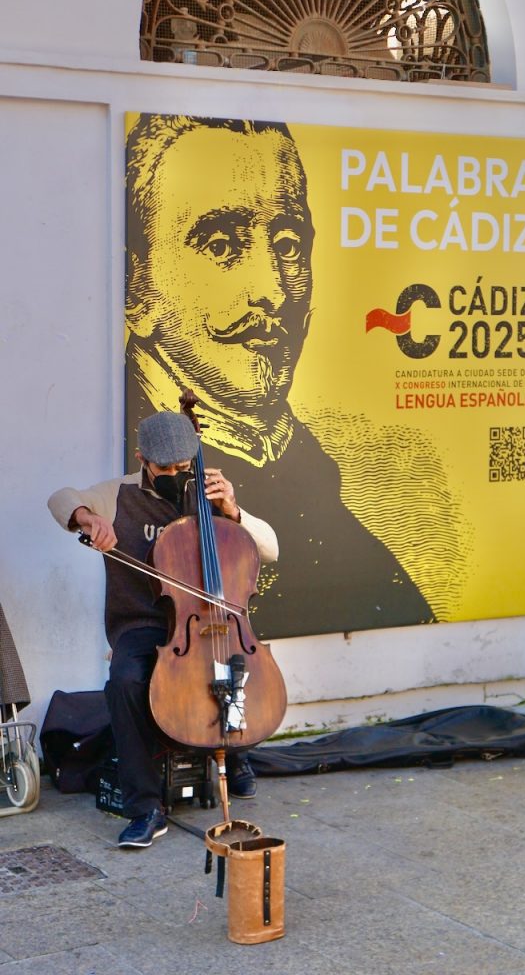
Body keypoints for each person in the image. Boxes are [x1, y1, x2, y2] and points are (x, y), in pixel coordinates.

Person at [125, 114, 436, 635]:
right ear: (138, 289)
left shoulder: (314, 474)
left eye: (288, 246)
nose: (273, 289)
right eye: (221, 245)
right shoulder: (136, 464)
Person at [48, 410, 279, 848]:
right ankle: (146, 807)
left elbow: (269, 548)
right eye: (165, 468)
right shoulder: (117, 494)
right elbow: (60, 498)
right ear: (142, 459)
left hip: (209, 619)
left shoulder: (210, 490)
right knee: (126, 682)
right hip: (143, 621)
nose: (176, 475)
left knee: (235, 667)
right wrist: (85, 517)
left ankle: (234, 750)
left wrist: (234, 510)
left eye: (182, 466)